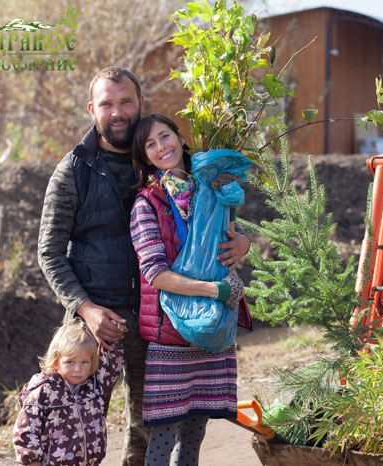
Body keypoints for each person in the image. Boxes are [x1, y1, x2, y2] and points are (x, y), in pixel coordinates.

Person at [37, 66, 251, 466]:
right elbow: (49, 252)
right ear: (92, 109)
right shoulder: (74, 170)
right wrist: (86, 309)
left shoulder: (163, 165)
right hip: (97, 321)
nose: (117, 112)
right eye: (107, 104)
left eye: (125, 102)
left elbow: (208, 221)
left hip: (158, 320)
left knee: (147, 428)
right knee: (78, 425)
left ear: (139, 105)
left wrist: (242, 241)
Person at [129, 114, 244, 465]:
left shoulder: (211, 191)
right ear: (145, 157)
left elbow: (230, 241)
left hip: (213, 330)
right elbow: (155, 274)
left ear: (180, 138)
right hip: (172, 334)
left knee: (194, 438)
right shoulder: (146, 204)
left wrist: (244, 243)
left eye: (165, 136)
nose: (161, 146)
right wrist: (214, 290)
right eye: (151, 144)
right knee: (163, 440)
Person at [12, 319, 123, 466]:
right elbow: (25, 432)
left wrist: (113, 335)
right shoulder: (44, 392)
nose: (77, 369)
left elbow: (112, 363)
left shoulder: (94, 387)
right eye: (70, 362)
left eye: (84, 362)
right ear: (56, 361)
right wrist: (33, 462)